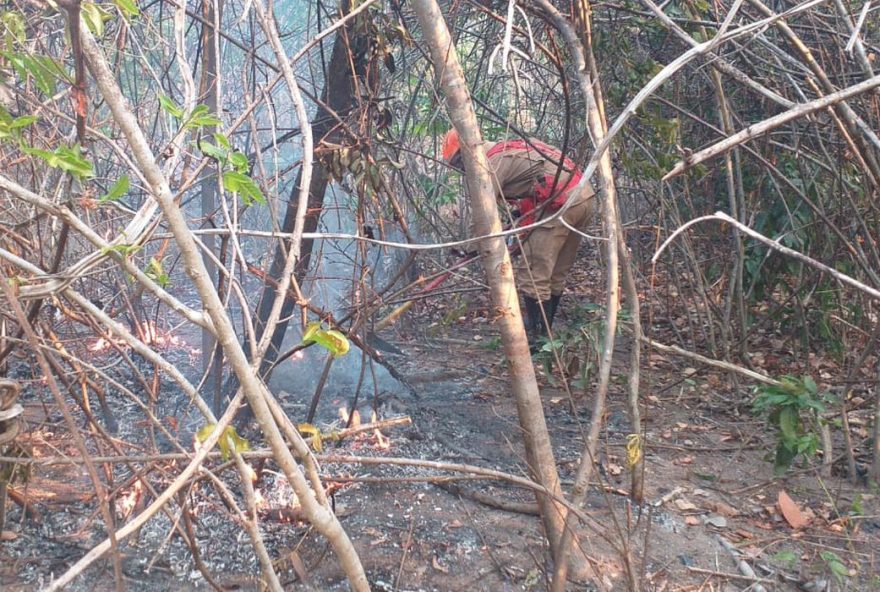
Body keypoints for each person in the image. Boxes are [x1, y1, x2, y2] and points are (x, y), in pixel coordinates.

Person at [441, 127, 597, 349]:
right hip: (583, 197)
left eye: (458, 162)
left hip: (561, 204)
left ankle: (539, 338)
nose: (460, 169)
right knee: (555, 273)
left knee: (533, 274)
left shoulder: (489, 163)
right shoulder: (506, 149)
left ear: (467, 151)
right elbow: (534, 178)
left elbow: (483, 213)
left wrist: (472, 247)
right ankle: (544, 330)